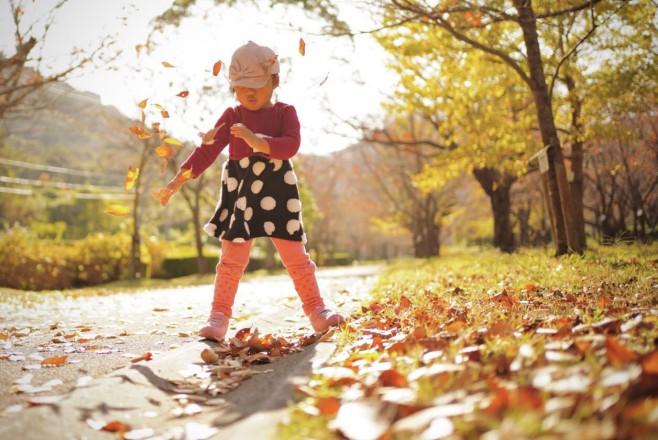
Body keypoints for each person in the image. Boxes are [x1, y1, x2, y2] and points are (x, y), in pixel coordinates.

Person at [159, 41, 345, 341]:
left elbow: (291, 145)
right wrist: (180, 178)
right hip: (241, 190)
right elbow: (207, 151)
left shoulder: (286, 112)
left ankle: (317, 310)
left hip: (278, 189)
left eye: (256, 85)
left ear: (275, 81)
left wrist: (257, 141)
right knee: (232, 259)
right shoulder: (232, 115)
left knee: (296, 255)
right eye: (241, 87)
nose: (248, 93)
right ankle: (218, 316)